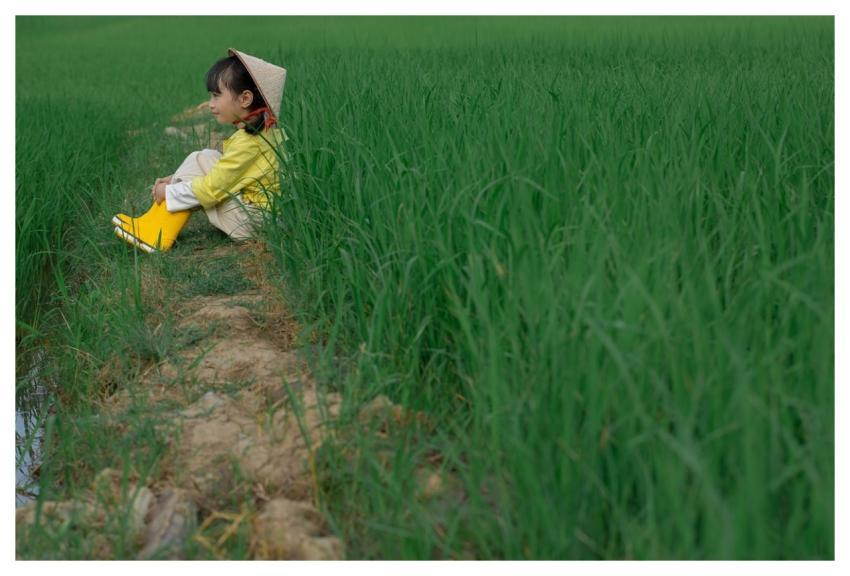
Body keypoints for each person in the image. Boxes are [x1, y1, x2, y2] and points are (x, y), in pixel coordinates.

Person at [113, 48, 288, 252]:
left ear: (245, 99)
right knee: (204, 157)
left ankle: (158, 233)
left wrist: (168, 193)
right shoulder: (262, 134)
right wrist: (175, 180)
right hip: (260, 215)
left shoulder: (250, 143)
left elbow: (212, 189)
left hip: (252, 222)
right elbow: (228, 172)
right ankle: (154, 222)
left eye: (216, 96)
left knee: (204, 171)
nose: (210, 104)